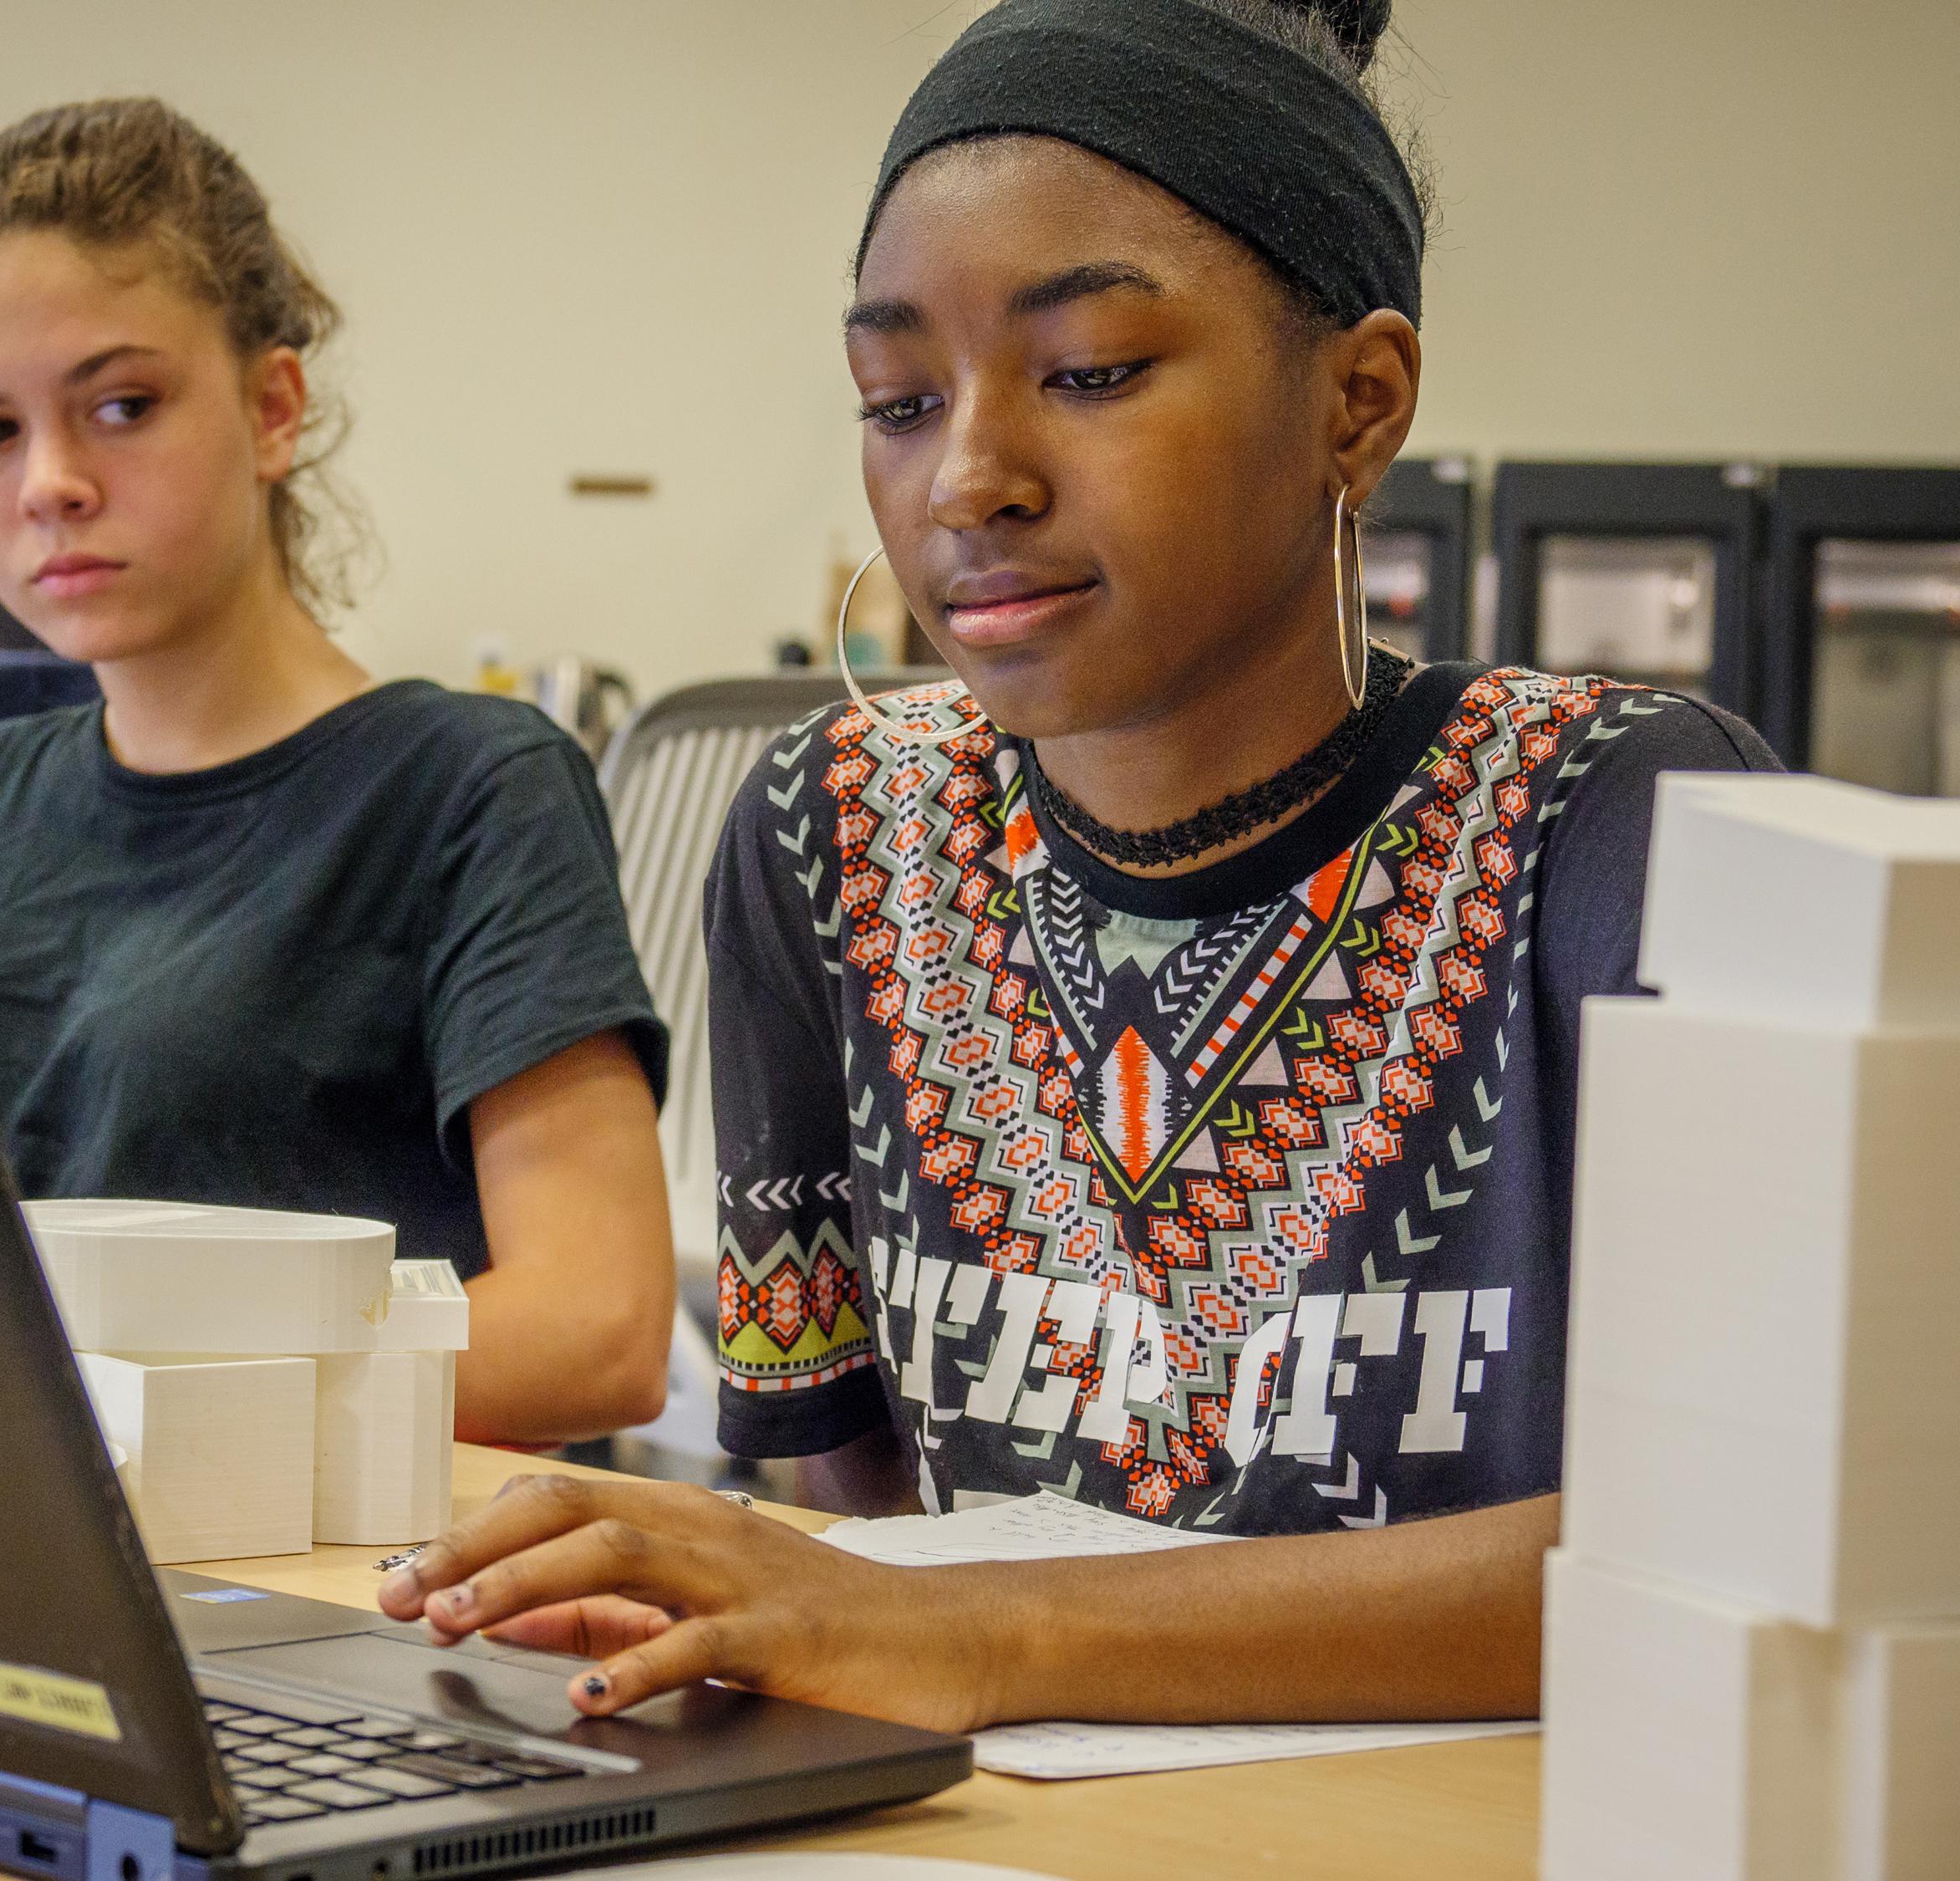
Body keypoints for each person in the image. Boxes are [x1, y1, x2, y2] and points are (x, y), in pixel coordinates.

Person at [382, 0, 1779, 1727]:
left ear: (1359, 405)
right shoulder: (831, 832)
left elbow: (1758, 1540)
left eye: (1092, 372)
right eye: (899, 400)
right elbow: (858, 1510)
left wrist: (1003, 1637)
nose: (967, 479)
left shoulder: (1626, 825)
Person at [0, 100, 675, 1445]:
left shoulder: (467, 791)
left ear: (272, 409)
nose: (49, 482)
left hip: (304, 1554)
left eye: (122, 406)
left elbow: (598, 1327)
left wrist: (117, 1421)